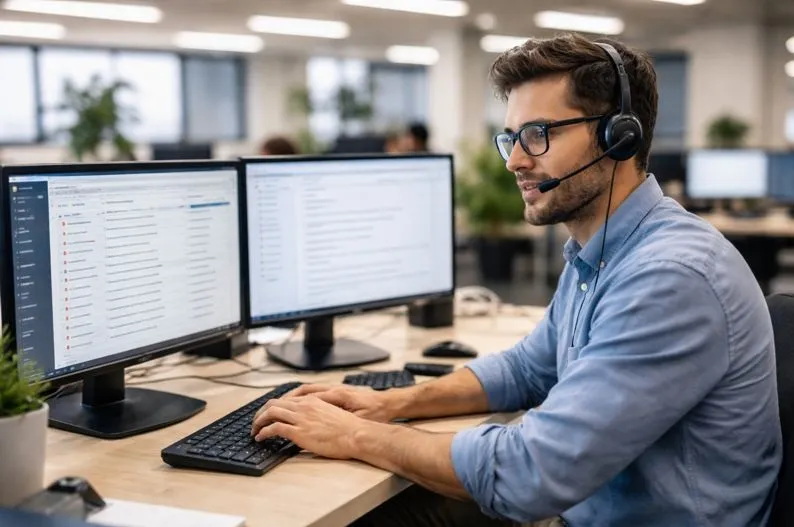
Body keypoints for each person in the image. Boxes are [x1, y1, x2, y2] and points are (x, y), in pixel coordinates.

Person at [251, 33, 781, 526]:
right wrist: (389, 404)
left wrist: (356, 435)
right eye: (512, 138)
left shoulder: (668, 277)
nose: (515, 162)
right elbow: (529, 367)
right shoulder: (599, 252)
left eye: (538, 135)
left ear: (619, 137)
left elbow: (529, 474)